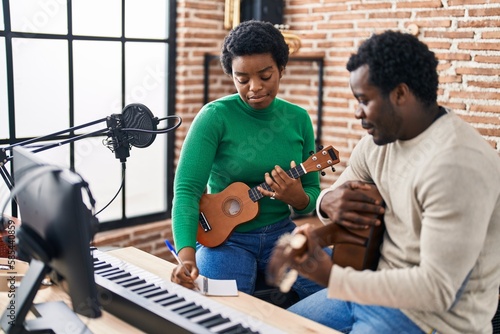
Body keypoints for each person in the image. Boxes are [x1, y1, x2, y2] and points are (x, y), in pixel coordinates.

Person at [276, 30, 500, 333]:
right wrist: (326, 202)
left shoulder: (457, 165)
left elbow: (437, 289)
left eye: (364, 100)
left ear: (400, 94)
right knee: (272, 325)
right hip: (368, 291)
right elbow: (336, 194)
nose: (357, 113)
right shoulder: (378, 143)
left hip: (431, 319)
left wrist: (333, 278)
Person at [170, 20, 324, 301]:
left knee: (333, 290)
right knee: (218, 308)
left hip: (282, 234)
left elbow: (312, 194)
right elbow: (187, 191)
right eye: (242, 79)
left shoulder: (298, 119)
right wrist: (186, 256)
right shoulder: (214, 117)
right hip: (226, 240)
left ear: (282, 69)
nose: (254, 88)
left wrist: (297, 197)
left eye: (265, 76)